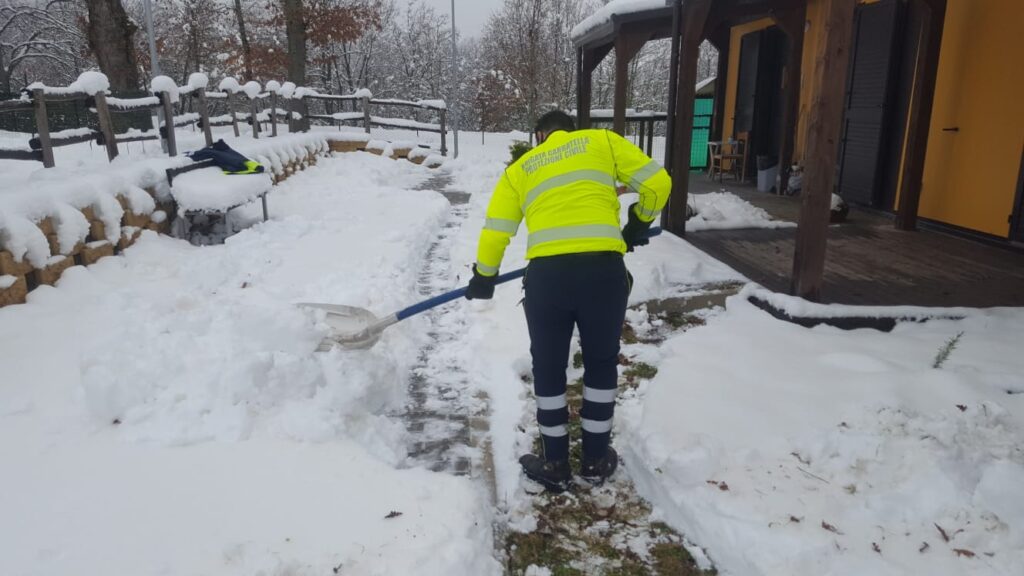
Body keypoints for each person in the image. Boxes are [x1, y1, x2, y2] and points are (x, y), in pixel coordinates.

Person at [464, 110, 671, 492]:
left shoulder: (521, 168)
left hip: (548, 280)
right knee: (601, 362)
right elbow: (658, 183)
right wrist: (637, 224)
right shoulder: (601, 143)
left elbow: (496, 231)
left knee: (548, 366)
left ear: (540, 135)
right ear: (572, 131)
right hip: (603, 274)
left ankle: (555, 462)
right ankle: (594, 459)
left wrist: (484, 278)